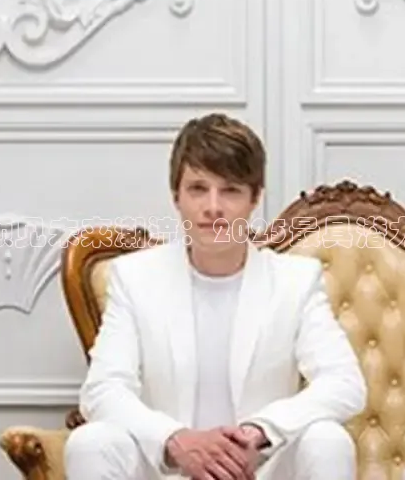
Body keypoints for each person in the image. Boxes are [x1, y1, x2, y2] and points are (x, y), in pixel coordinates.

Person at [63, 112, 368, 480]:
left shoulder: (295, 281)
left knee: (328, 439)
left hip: (260, 470)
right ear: (176, 196)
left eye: (230, 190)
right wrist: (176, 440)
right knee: (90, 442)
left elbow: (344, 383)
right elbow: (103, 389)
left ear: (254, 199)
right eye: (198, 188)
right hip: (169, 469)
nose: (213, 207)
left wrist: (259, 431)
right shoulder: (135, 278)